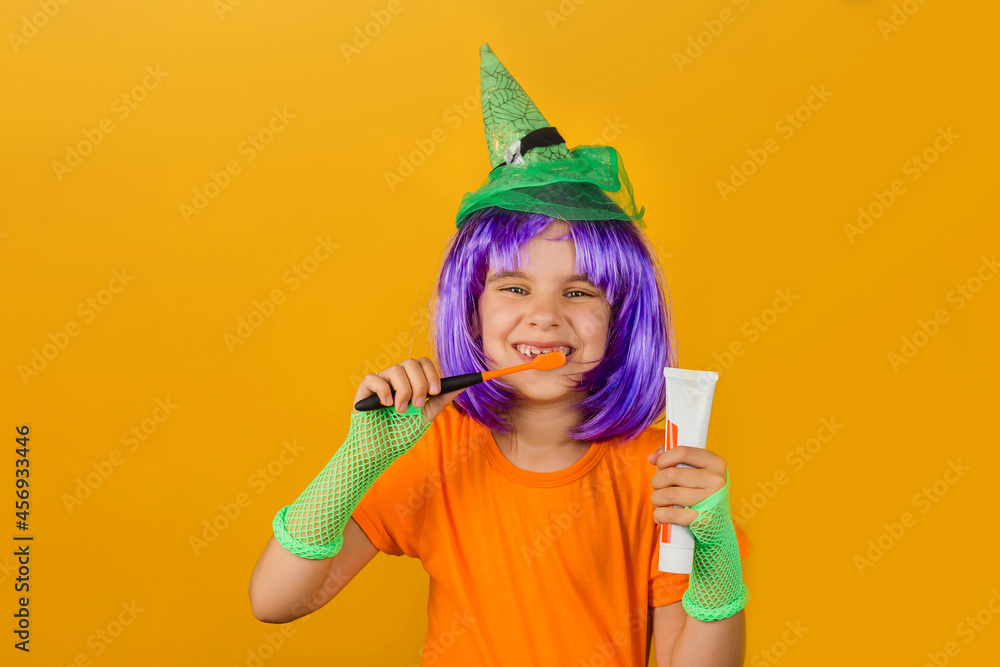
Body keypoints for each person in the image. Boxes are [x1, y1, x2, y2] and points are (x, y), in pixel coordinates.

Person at [248, 43, 751, 666]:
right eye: (514, 288)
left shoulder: (659, 473)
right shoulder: (433, 447)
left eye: (578, 292)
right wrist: (358, 460)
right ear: (472, 310)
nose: (545, 315)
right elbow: (274, 601)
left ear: (620, 316)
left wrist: (716, 565)